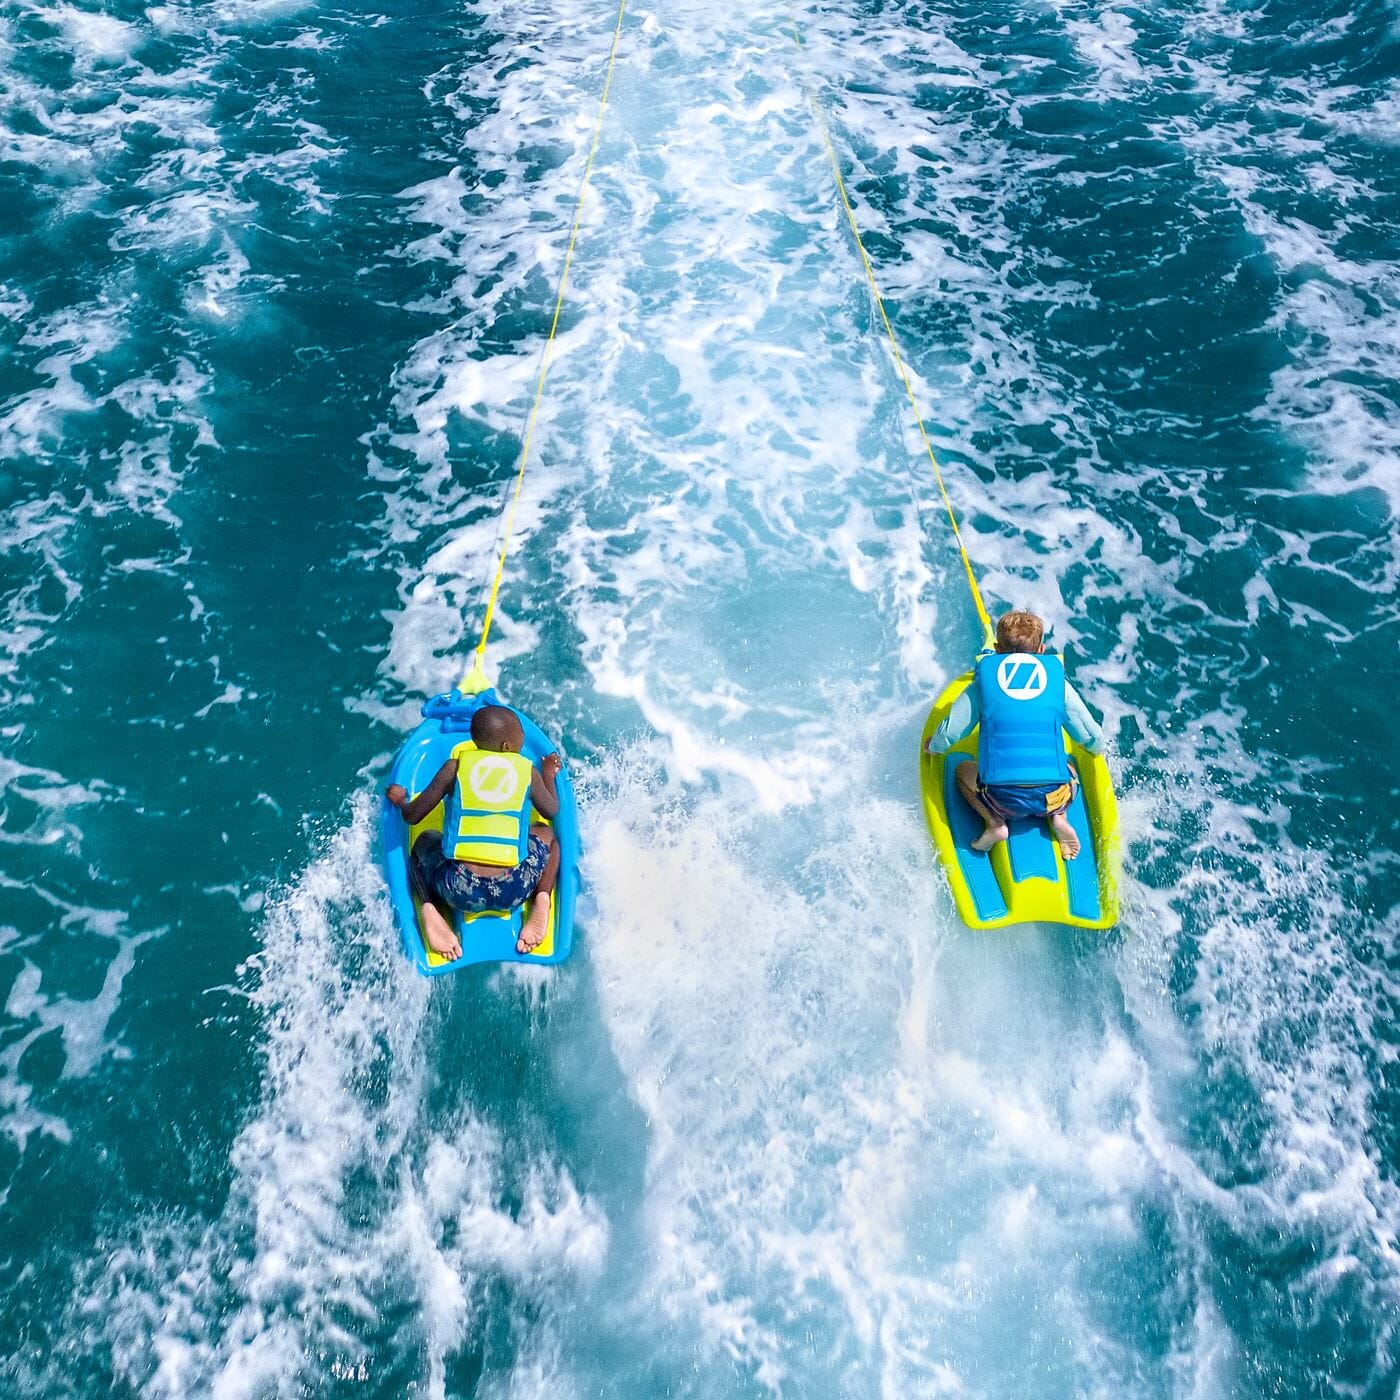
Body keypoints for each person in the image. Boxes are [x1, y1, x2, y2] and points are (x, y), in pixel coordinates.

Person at [386, 704, 562, 959]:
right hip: (514, 889)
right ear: (506, 746)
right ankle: (542, 899)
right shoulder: (528, 771)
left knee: (424, 842)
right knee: (547, 836)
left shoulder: (454, 768)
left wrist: (401, 800)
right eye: (520, 736)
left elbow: (412, 816)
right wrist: (548, 774)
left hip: (457, 890)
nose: (522, 740)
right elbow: (552, 810)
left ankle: (430, 909)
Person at [926, 610, 1104, 860]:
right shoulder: (1058, 684)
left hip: (1002, 798)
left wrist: (933, 746)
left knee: (962, 771)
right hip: (1052, 796)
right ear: (1041, 650)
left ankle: (995, 824)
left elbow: (952, 731)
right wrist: (1097, 749)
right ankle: (1058, 817)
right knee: (1070, 767)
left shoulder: (983, 683)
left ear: (997, 649)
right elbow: (1090, 735)